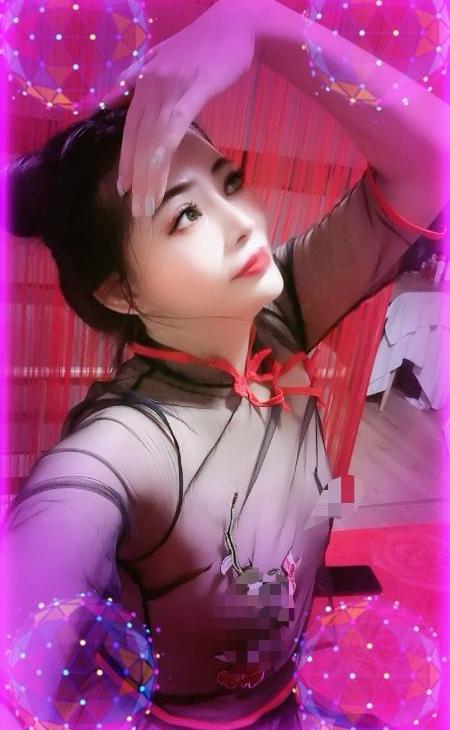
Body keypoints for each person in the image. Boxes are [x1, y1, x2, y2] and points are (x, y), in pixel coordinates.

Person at [2, 0, 448, 728]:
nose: (243, 221)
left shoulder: (281, 313)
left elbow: (434, 158)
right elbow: (39, 569)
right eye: (185, 214)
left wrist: (265, 26)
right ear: (120, 291)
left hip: (294, 696)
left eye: (230, 183)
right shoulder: (123, 446)